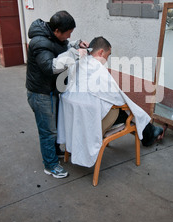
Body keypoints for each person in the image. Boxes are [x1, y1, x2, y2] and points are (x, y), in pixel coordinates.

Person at [57, 36, 164, 168]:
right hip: (94, 121)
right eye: (107, 56)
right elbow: (117, 98)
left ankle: (150, 131)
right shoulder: (98, 69)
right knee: (128, 111)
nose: (106, 60)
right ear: (101, 52)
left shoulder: (78, 63)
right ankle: (150, 133)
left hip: (77, 118)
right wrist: (131, 108)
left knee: (126, 110)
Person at [26, 10, 88, 179]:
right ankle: (51, 165)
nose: (68, 36)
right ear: (57, 31)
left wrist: (76, 44)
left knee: (53, 125)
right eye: (67, 33)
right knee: (48, 131)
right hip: (40, 94)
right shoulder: (39, 43)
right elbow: (50, 67)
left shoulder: (51, 37)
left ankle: (54, 152)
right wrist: (75, 55)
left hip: (51, 90)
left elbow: (61, 46)